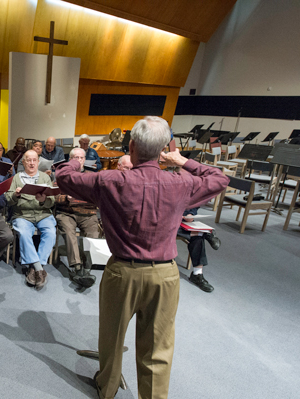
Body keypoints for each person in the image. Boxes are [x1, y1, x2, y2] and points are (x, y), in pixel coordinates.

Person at [56, 116, 228, 399]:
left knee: (111, 337)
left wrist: (76, 159)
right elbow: (219, 178)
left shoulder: (109, 180)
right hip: (165, 276)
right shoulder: (181, 183)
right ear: (163, 150)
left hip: (122, 272)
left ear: (131, 146)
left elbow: (64, 177)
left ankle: (107, 388)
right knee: (157, 348)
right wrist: (183, 161)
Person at [5, 150, 57, 291]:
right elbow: (8, 200)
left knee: (51, 232)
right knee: (23, 232)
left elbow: (52, 201)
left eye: (34, 160)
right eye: (28, 160)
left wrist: (44, 200)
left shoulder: (45, 178)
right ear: (23, 162)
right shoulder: (16, 178)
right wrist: (16, 195)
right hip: (23, 215)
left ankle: (33, 268)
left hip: (43, 213)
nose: (32, 163)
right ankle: (39, 269)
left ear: (38, 162)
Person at [54, 148, 99, 289]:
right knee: (69, 233)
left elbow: (99, 197)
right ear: (70, 160)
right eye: (75, 158)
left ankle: (87, 267)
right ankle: (77, 267)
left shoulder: (91, 176)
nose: (78, 160)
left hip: (87, 213)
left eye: (81, 157)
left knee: (93, 235)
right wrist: (65, 197)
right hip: (66, 212)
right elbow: (54, 196)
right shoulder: (62, 177)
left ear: (85, 159)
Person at [177, 207, 221, 292]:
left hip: (181, 219)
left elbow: (194, 200)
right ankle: (204, 233)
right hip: (164, 218)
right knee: (164, 228)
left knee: (197, 238)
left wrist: (190, 214)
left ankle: (197, 274)